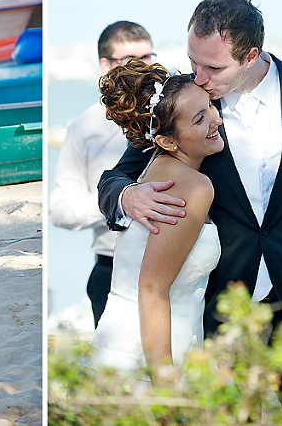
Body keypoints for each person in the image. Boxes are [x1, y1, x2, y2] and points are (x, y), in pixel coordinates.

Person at [98, 0, 282, 425]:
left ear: (251, 54)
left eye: (213, 67)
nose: (199, 75)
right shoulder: (188, 101)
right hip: (221, 314)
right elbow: (115, 177)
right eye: (193, 61)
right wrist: (128, 195)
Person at [90, 60, 223, 375]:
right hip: (152, 352)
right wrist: (164, 384)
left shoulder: (158, 164)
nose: (216, 118)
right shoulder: (194, 186)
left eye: (210, 108)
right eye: (199, 118)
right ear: (167, 140)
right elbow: (151, 287)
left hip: (124, 339)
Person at [49, 21, 155, 327]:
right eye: (130, 60)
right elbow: (61, 210)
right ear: (105, 66)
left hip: (182, 266)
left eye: (147, 57)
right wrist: (122, 202)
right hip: (113, 268)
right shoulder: (84, 127)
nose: (143, 68)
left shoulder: (177, 115)